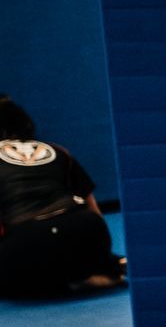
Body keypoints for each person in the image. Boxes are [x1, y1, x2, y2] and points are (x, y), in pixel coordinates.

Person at [0, 95, 124, 299]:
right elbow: (93, 209)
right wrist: (103, 256)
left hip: (27, 240)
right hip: (86, 228)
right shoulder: (57, 150)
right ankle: (90, 274)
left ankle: (56, 284)